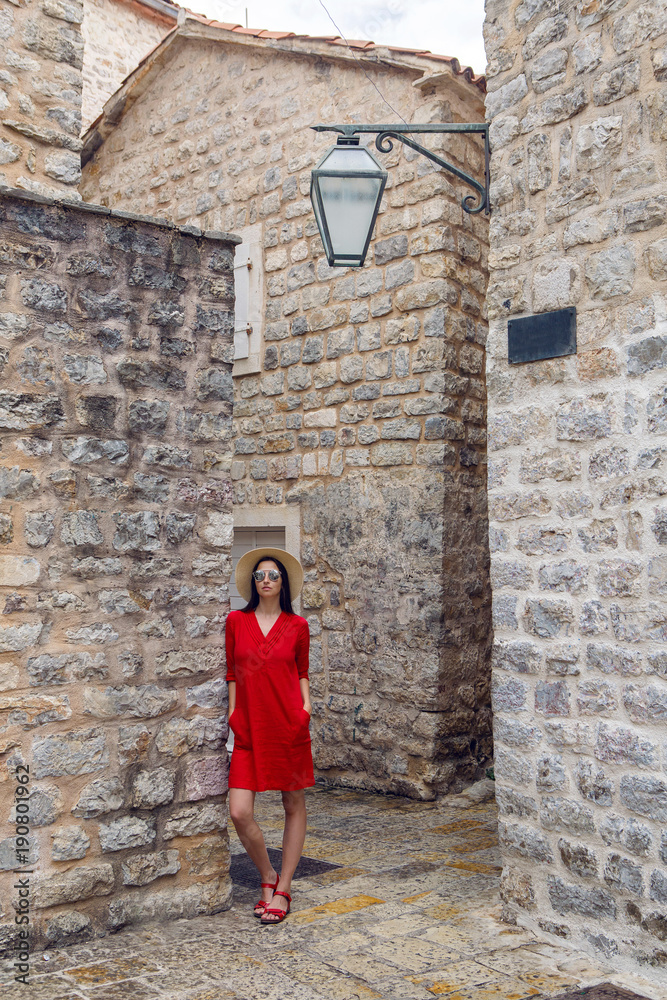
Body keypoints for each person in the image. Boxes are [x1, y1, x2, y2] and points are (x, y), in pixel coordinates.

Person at [225, 546, 314, 925]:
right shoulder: (235, 621)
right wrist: (233, 712)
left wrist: (305, 710)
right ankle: (267, 875)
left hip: (287, 725)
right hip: (248, 726)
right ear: (252, 582)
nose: (266, 580)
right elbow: (231, 671)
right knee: (239, 811)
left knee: (292, 804)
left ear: (283, 583)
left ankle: (284, 887)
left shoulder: (298, 627)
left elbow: (302, 672)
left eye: (273, 575)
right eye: (260, 575)